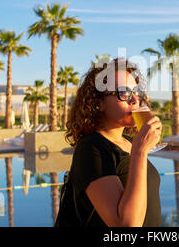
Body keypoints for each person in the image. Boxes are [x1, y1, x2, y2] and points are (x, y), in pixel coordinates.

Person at [55, 57, 162, 227]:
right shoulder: (91, 149)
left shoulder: (128, 142)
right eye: (124, 93)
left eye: (136, 91)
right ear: (99, 103)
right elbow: (126, 225)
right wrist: (140, 152)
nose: (134, 100)